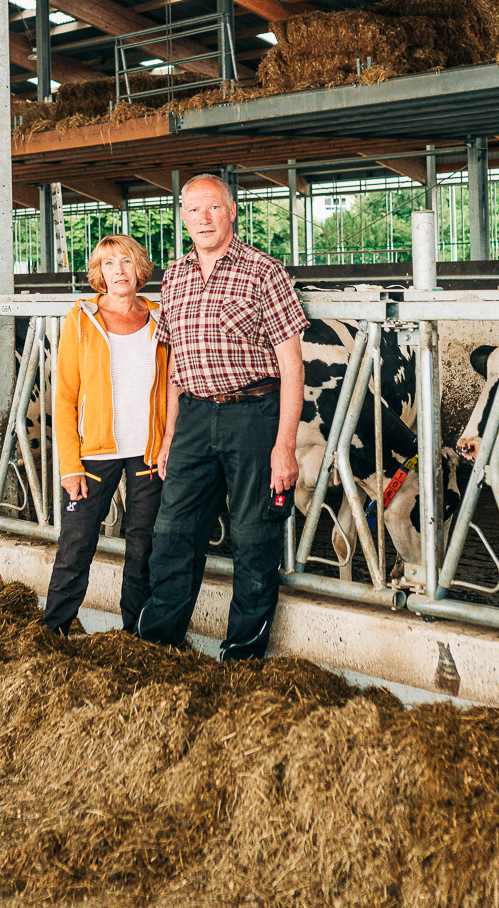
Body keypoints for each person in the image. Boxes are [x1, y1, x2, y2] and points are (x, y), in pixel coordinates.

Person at [136, 174, 305, 661]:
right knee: (172, 531)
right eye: (192, 210)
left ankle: (243, 657)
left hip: (252, 415)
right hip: (191, 417)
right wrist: (169, 436)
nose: (202, 218)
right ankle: (159, 647)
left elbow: (292, 365)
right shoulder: (175, 275)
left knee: (254, 535)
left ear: (232, 210)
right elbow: (174, 366)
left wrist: (284, 446)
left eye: (212, 207)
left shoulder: (263, 271)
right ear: (183, 217)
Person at [40, 234, 168, 634]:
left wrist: (168, 443)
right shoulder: (81, 319)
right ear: (99, 273)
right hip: (94, 453)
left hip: (148, 452)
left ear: (139, 269)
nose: (119, 271)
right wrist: (69, 465)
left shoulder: (161, 317)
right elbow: (63, 399)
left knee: (143, 547)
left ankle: (137, 635)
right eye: (109, 264)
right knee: (76, 544)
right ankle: (54, 630)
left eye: (126, 262)